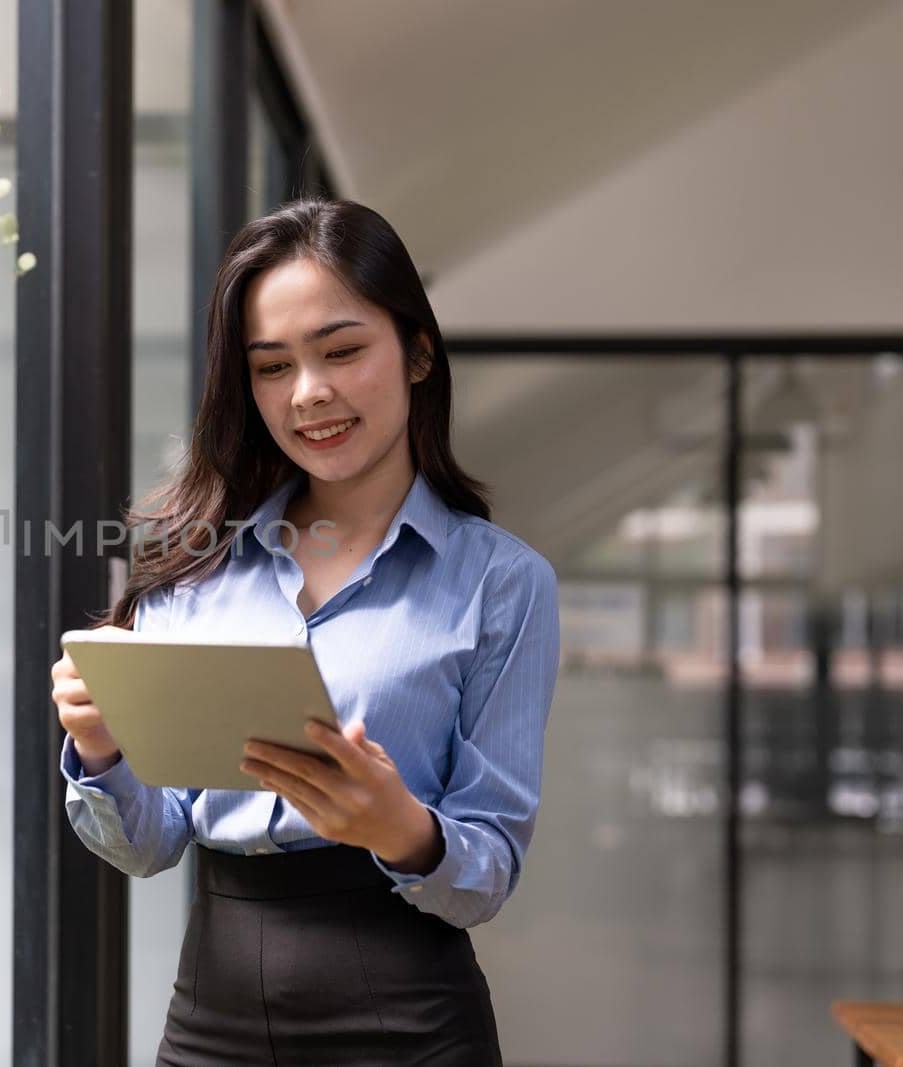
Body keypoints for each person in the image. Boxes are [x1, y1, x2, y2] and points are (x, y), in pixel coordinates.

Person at [50, 197, 560, 1065]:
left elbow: (489, 872)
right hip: (211, 1011)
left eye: (342, 350)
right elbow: (149, 844)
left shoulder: (501, 582)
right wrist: (101, 750)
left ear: (419, 353)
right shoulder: (194, 566)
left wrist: (403, 828)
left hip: (409, 1017)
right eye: (272, 366)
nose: (308, 392)